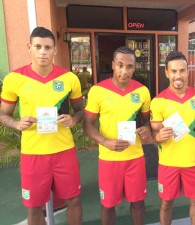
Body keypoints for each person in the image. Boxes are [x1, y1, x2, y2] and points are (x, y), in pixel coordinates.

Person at [0, 27, 83, 225]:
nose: (42, 52)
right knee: (34, 207)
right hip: (33, 154)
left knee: (74, 200)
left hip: (64, 151)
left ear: (55, 50)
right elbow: (4, 114)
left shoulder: (69, 78)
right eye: (38, 46)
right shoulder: (15, 79)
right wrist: (16, 123)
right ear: (29, 47)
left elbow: (80, 110)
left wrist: (74, 119)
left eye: (47, 47)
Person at [83, 46, 152, 225]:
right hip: (108, 159)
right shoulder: (98, 91)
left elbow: (146, 121)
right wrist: (105, 142)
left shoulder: (142, 91)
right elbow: (87, 125)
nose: (124, 71)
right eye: (120, 65)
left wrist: (147, 129)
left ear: (134, 68)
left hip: (135, 157)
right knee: (108, 205)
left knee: (138, 202)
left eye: (129, 66)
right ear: (113, 65)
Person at [150, 51, 195, 225]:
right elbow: (154, 135)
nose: (178, 75)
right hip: (168, 163)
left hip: (194, 162)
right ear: (167, 73)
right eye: (174, 71)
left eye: (182, 70)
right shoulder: (158, 101)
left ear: (188, 71)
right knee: (166, 203)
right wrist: (159, 136)